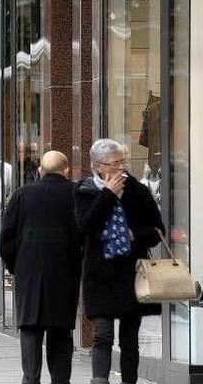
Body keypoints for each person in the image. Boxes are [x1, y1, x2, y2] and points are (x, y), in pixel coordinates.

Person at [75, 139, 165, 384]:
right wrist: (107, 194)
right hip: (100, 274)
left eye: (122, 162)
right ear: (97, 166)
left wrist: (135, 234)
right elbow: (85, 227)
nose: (120, 168)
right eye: (114, 163)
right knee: (102, 335)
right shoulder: (84, 191)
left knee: (129, 340)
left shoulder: (137, 190)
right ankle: (100, 380)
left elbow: (158, 231)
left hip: (131, 274)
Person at [0, 151, 83, 384]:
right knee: (61, 332)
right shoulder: (75, 194)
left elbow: (6, 237)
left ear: (39, 170)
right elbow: (83, 233)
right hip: (64, 274)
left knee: (30, 330)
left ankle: (31, 378)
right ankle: (60, 380)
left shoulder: (22, 195)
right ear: (66, 170)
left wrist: (15, 265)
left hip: (29, 274)